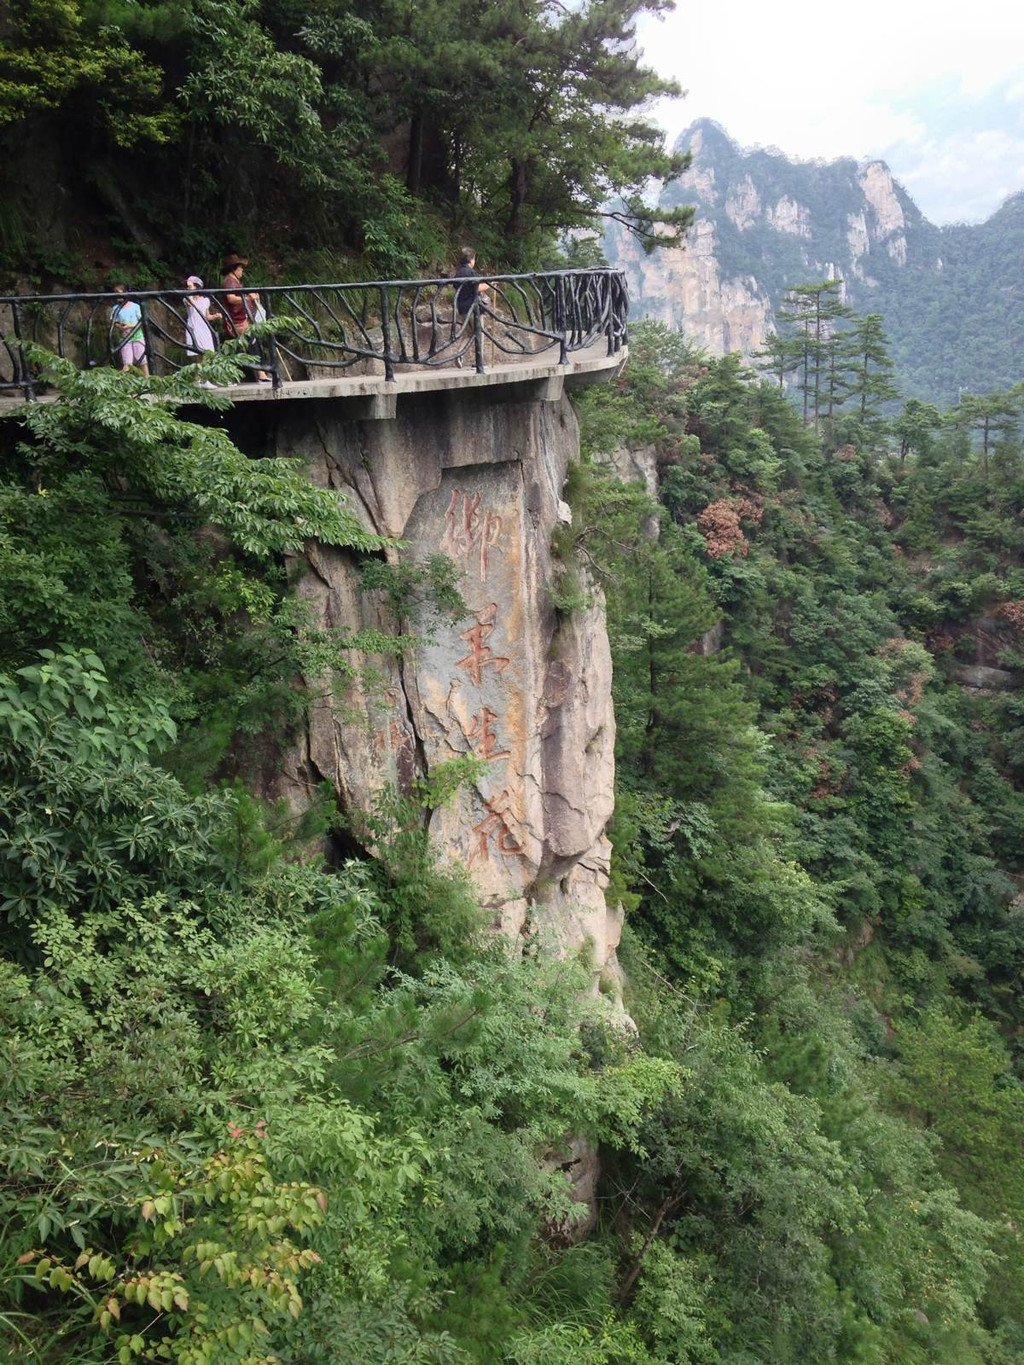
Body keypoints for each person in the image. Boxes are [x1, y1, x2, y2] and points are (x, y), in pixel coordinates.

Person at [220, 253, 269, 382]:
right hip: (236, 322)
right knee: (252, 340)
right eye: (240, 268)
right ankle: (259, 374)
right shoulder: (229, 281)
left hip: (242, 319)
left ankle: (260, 373)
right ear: (234, 269)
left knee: (254, 341)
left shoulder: (235, 281)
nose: (242, 271)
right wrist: (247, 298)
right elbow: (231, 298)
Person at [452, 247, 490, 368]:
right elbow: (478, 287)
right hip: (473, 307)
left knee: (468, 333)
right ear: (471, 259)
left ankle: (459, 354)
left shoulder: (458, 273)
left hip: (462, 307)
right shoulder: (470, 272)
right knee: (479, 332)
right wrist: (489, 284)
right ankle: (479, 362)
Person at [110, 283, 149, 375]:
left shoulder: (135, 307)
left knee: (143, 361)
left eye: (119, 293)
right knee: (127, 363)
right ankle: (125, 383)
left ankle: (147, 380)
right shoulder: (115, 308)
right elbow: (113, 321)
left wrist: (130, 326)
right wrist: (120, 326)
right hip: (124, 338)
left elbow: (142, 320)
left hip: (137, 337)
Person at [183, 275, 217, 358]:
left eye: (190, 286)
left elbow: (207, 316)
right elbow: (189, 303)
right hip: (193, 328)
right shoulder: (186, 299)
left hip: (204, 329)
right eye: (188, 287)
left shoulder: (206, 301)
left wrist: (215, 316)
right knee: (195, 354)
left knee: (207, 354)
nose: (188, 288)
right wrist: (190, 293)